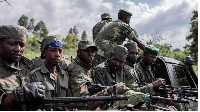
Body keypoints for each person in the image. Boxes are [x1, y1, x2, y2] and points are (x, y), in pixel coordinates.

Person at [67, 40, 129, 110]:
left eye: (92, 51)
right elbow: (82, 104)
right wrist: (109, 91)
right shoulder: (76, 70)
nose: (90, 54)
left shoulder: (88, 68)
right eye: (86, 51)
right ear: (78, 52)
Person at [0, 25, 45, 110]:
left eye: (22, 45)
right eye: (12, 44)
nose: (18, 49)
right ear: (0, 44)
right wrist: (18, 94)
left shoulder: (28, 67)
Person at [28, 36, 72, 100]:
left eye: (60, 51)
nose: (58, 54)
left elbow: (70, 100)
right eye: (53, 50)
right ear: (43, 52)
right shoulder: (34, 75)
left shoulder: (65, 75)